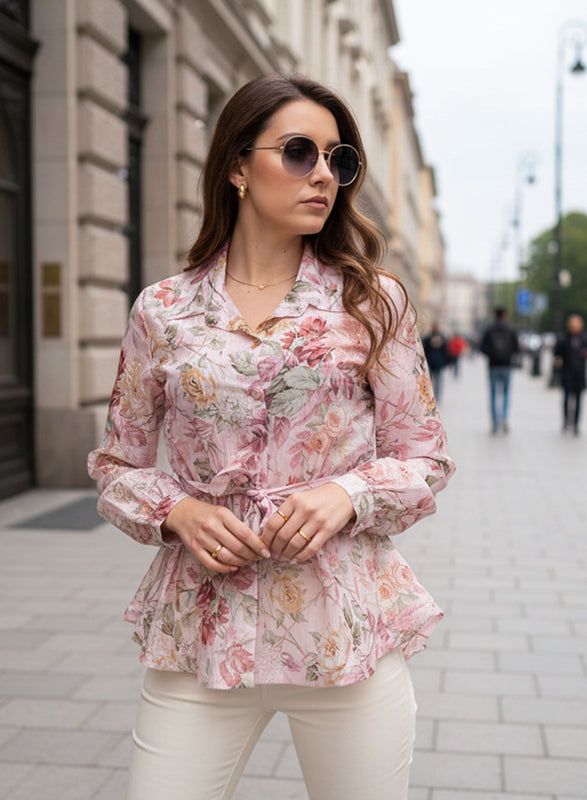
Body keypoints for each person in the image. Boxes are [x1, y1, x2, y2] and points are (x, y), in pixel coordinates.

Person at [88, 73, 455, 800]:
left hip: (340, 629)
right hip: (202, 631)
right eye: (298, 152)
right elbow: (115, 465)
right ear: (235, 167)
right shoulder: (163, 308)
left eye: (337, 159)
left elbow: (426, 457)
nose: (322, 173)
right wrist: (176, 511)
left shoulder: (372, 301)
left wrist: (345, 495)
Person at [480, 306, 520, 434]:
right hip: (506, 365)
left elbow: (481, 347)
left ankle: (494, 423)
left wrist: (492, 354)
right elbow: (516, 348)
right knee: (506, 394)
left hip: (493, 365)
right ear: (505, 315)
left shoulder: (489, 329)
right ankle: (504, 418)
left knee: (493, 395)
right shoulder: (510, 330)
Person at [553, 313, 587, 435]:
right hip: (567, 373)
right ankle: (566, 423)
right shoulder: (564, 339)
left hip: (579, 374)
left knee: (578, 400)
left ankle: (576, 424)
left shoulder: (583, 339)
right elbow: (557, 355)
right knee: (567, 399)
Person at [422, 323, 450, 401]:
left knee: (438, 380)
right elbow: (424, 349)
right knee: (429, 380)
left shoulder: (442, 338)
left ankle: (437, 395)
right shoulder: (427, 338)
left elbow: (445, 351)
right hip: (429, 362)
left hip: (438, 363)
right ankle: (430, 395)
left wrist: (446, 362)